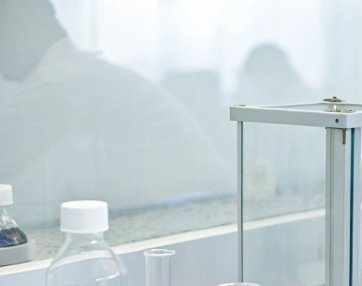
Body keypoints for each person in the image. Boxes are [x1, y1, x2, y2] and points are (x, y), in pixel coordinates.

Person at [0, 0, 230, 227]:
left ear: (21, 27)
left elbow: (6, 161)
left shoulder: (60, 83)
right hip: (195, 215)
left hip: (195, 220)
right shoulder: (77, 72)